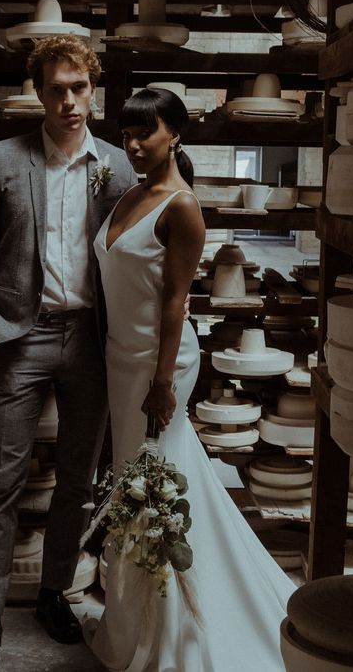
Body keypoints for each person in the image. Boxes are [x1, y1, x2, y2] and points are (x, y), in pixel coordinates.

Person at [85, 87, 297, 671]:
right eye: (125, 135)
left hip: (160, 366)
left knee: (155, 494)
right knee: (146, 488)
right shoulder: (130, 193)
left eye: (143, 134)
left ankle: (175, 633)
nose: (130, 146)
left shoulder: (181, 206)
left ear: (174, 135)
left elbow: (177, 304)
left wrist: (162, 383)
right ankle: (136, 619)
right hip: (119, 358)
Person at [0, 35, 136, 672]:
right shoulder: (2, 160)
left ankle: (55, 593)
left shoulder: (115, 164)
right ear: (38, 93)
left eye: (79, 87)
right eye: (56, 88)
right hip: (20, 336)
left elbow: (136, 252)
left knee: (78, 482)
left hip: (91, 340)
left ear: (94, 89)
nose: (69, 100)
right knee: (0, 481)